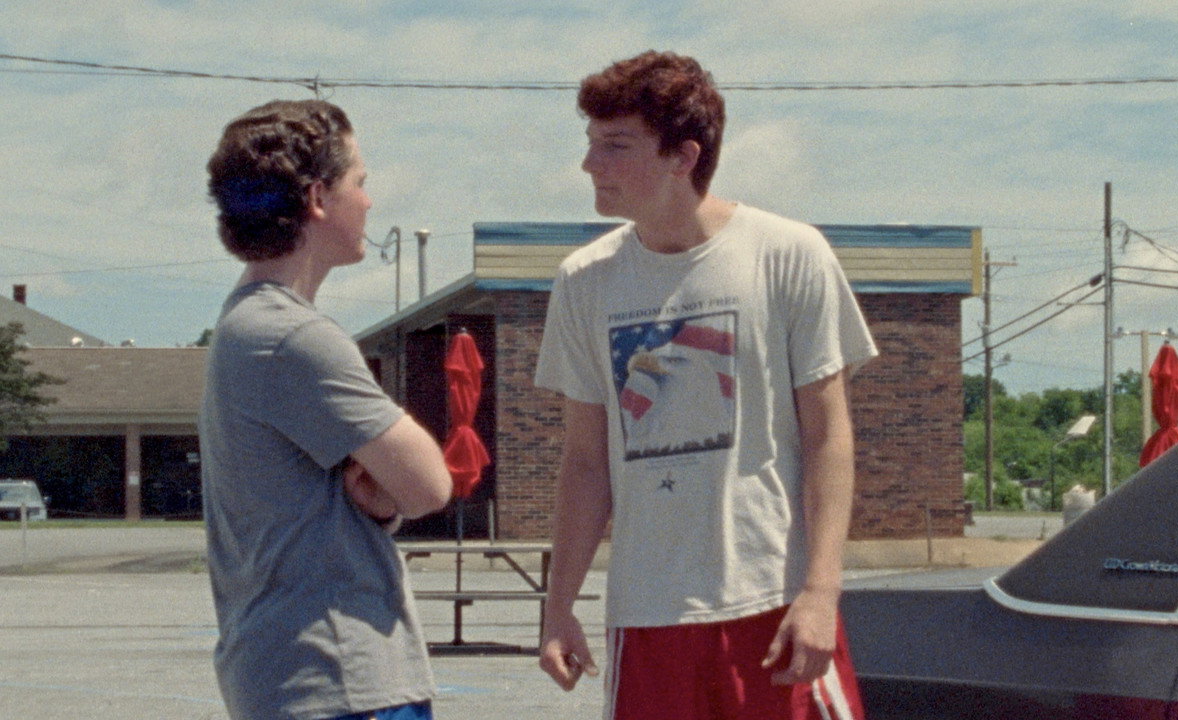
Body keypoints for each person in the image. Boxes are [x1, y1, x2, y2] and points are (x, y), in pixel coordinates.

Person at [534, 51, 879, 720]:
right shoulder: (584, 281)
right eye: (590, 142)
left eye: (615, 145)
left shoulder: (789, 254)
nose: (589, 164)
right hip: (648, 614)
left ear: (682, 157)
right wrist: (559, 608)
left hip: (774, 605)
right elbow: (584, 462)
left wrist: (821, 592)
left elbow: (829, 437)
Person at [200, 99, 453, 720]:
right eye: (358, 182)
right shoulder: (294, 336)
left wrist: (378, 498)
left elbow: (359, 494)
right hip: (339, 677)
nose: (368, 201)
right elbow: (430, 484)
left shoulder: (244, 324)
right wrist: (392, 488)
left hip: (289, 675)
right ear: (317, 197)